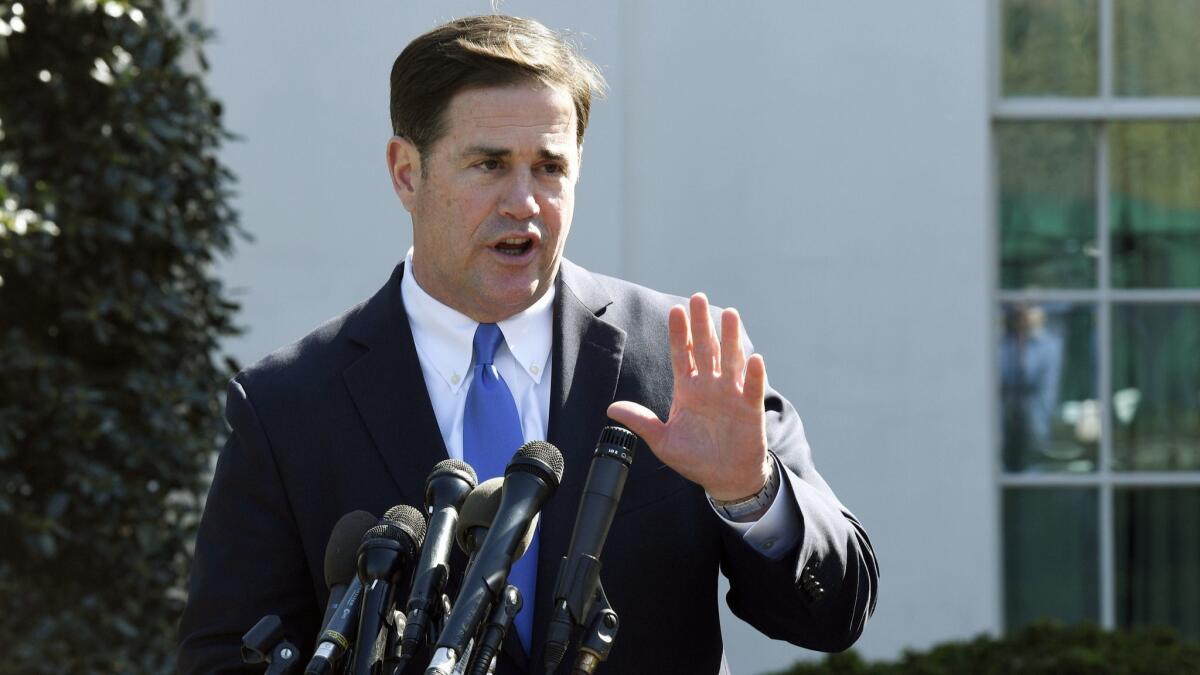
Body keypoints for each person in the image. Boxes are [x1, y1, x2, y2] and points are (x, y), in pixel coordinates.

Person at [178, 15, 877, 675]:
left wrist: (749, 492)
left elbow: (834, 615)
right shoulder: (288, 405)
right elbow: (224, 655)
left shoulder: (681, 358)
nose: (525, 201)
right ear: (406, 171)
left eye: (550, 167)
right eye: (489, 164)